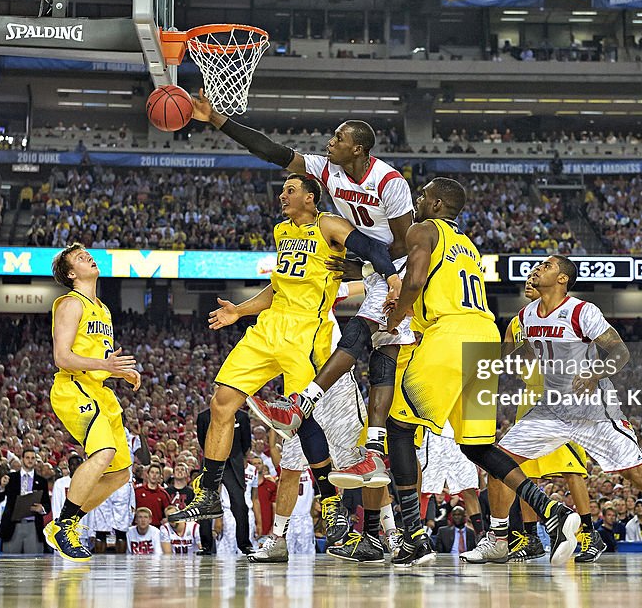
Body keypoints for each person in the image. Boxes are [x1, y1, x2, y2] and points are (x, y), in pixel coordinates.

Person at [185, 90, 413, 479]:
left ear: (358, 148)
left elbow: (404, 242)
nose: (330, 142)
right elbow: (273, 151)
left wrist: (381, 272)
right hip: (371, 268)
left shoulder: (389, 181)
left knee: (370, 342)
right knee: (371, 349)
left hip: (401, 269)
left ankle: (360, 440)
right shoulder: (325, 171)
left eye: (339, 138)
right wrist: (219, 121)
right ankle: (365, 457)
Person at [168, 175, 396, 536]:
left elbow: (374, 250)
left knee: (300, 419)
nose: (282, 196)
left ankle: (332, 504)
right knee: (221, 402)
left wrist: (387, 276)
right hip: (268, 328)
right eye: (282, 190)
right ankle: (210, 490)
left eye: (290, 191)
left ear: (310, 198)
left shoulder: (329, 225)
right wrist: (239, 312)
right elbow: (277, 286)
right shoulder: (281, 232)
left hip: (306, 332)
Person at [465, 255, 642, 565]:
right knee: (499, 462)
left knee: (637, 475)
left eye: (546, 266)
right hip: (551, 407)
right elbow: (523, 357)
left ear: (563, 279)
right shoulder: (527, 316)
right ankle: (499, 539)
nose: (537, 269)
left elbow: (620, 352)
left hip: (593, 409)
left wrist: (595, 372)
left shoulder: (582, 311)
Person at [382, 178, 581, 567]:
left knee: (399, 427)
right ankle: (552, 511)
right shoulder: (468, 245)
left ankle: (413, 536)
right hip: (483, 336)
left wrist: (398, 314)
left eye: (422, 196)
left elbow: (416, 279)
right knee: (476, 446)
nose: (417, 201)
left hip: (449, 334)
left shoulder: (424, 229)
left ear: (437, 204)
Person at [44, 242, 142, 562]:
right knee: (104, 453)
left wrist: (120, 373)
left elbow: (98, 357)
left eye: (88, 253)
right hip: (74, 388)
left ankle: (65, 525)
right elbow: (62, 357)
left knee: (120, 474)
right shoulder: (71, 304)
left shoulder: (103, 308)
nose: (88, 256)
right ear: (71, 273)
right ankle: (64, 526)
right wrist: (106, 367)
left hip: (98, 390)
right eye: (79, 256)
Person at [501, 275, 606, 563]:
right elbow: (507, 355)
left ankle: (589, 533)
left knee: (572, 470)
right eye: (526, 281)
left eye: (534, 281)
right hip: (530, 396)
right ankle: (531, 536)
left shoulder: (564, 316)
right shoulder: (517, 321)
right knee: (525, 472)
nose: (528, 284)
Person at [195, 408, 253, 556]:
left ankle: (244, 544)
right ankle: (206, 545)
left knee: (239, 505)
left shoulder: (242, 416)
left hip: (233, 465)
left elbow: (246, 442)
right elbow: (202, 441)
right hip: (211, 462)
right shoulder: (204, 416)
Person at [0, 447, 51, 554]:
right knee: (9, 565)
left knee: (34, 565)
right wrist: (2, 487)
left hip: (33, 526)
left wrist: (41, 508)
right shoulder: (10, 478)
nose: (30, 460)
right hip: (12, 526)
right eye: (27, 457)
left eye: (33, 458)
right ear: (22, 459)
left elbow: (47, 505)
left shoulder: (42, 481)